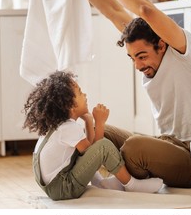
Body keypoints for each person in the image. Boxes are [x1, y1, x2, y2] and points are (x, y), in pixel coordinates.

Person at [55, 0, 191, 188]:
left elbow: (146, 10)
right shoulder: (142, 39)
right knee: (96, 129)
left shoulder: (183, 50)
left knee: (133, 148)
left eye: (142, 57)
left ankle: (124, 179)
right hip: (164, 143)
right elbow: (111, 9)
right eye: (132, 58)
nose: (138, 65)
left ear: (161, 44)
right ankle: (105, 180)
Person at [22, 70, 163, 201]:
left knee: (87, 151)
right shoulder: (69, 128)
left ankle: (101, 183)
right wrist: (100, 123)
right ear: (70, 105)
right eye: (80, 92)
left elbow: (88, 151)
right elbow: (97, 154)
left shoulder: (60, 126)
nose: (85, 95)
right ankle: (132, 184)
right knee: (103, 146)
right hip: (62, 188)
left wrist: (89, 120)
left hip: (54, 186)